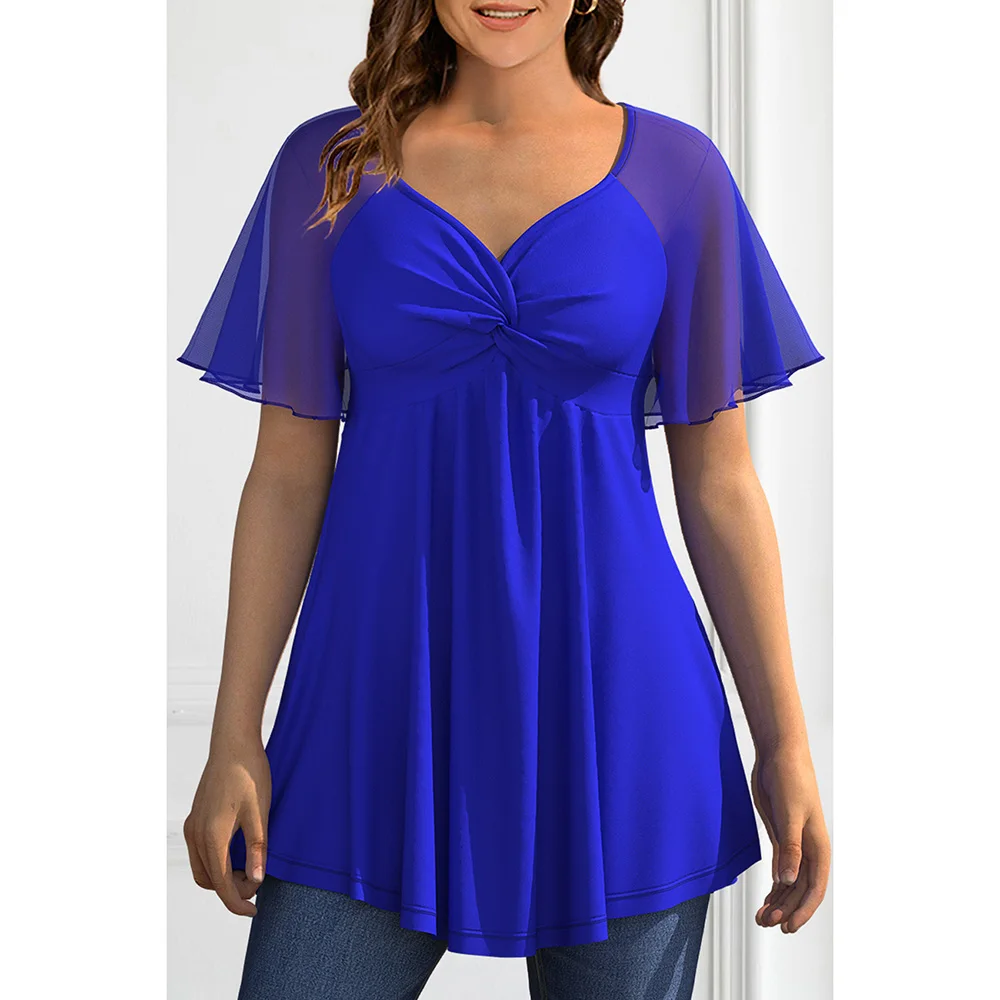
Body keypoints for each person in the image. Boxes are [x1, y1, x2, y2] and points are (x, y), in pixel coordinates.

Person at [176, 1, 831, 997]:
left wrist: (783, 741)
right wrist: (234, 731)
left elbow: (721, 481)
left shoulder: (680, 174)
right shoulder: (332, 166)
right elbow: (285, 473)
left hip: (622, 714)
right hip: (370, 704)